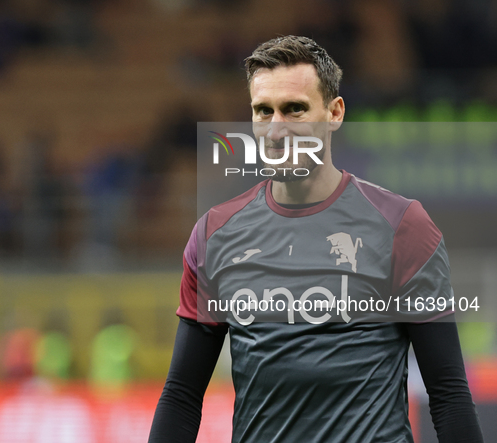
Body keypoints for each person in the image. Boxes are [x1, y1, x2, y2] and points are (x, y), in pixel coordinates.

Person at [148, 36, 484, 443]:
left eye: (294, 109)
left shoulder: (402, 226)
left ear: (334, 112)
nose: (276, 128)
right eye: (263, 111)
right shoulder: (214, 235)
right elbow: (182, 396)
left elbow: (448, 394)